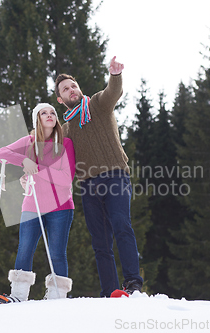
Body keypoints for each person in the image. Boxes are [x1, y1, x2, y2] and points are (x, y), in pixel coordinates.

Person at [55, 56, 144, 297]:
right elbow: (51, 154)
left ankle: (133, 283)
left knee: (121, 224)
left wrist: (115, 75)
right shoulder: (65, 130)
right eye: (65, 89)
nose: (71, 90)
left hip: (115, 176)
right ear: (60, 99)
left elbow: (112, 92)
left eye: (73, 85)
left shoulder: (97, 104)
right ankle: (110, 291)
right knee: (100, 242)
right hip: (89, 186)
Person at [0, 103, 76, 303]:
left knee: (57, 252)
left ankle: (57, 297)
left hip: (61, 206)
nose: (50, 115)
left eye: (53, 113)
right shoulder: (28, 142)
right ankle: (18, 296)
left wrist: (36, 168)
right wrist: (23, 161)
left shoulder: (66, 144)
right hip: (32, 205)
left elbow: (66, 179)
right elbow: (1, 153)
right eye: (44, 113)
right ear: (36, 119)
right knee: (25, 248)